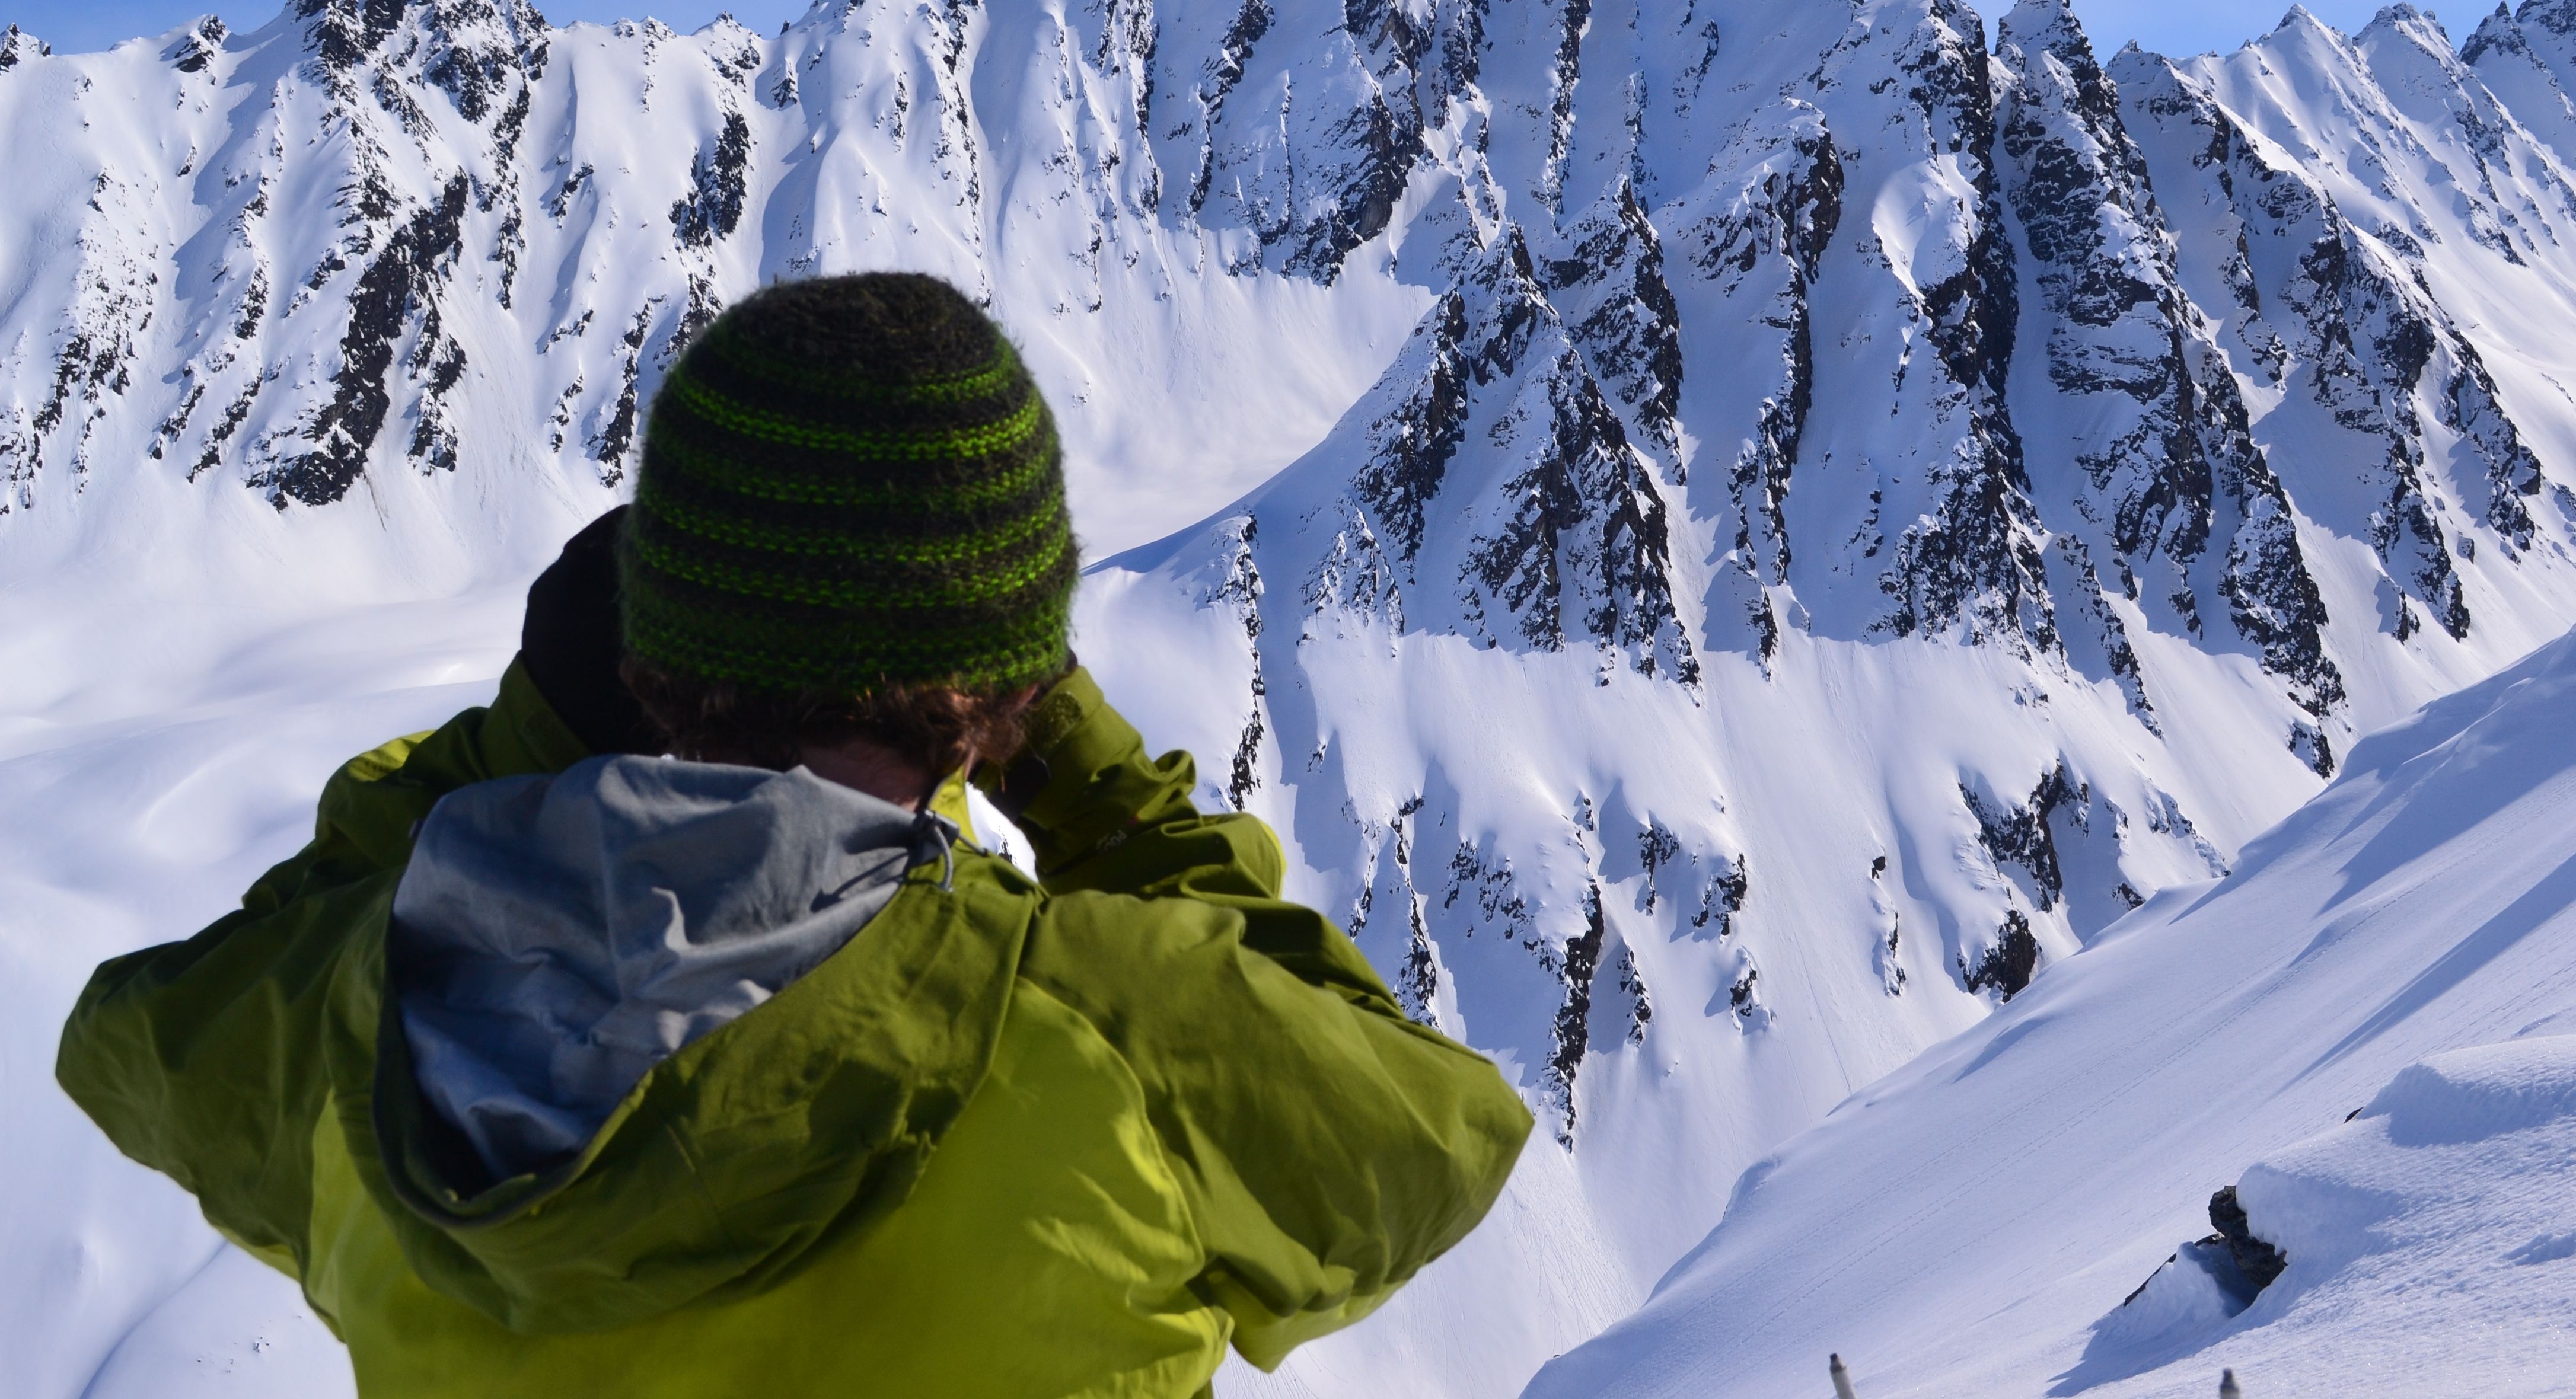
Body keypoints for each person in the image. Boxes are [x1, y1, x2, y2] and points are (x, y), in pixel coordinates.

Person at [59, 272, 1531, 1398]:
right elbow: (1429, 1135)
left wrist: (532, 727)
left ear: (644, 644)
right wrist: (1101, 791)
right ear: (1004, 692)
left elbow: (156, 1034)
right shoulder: (1119, 1035)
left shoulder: (370, 1012)